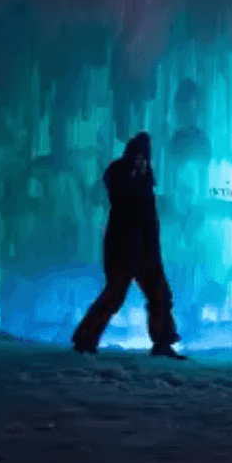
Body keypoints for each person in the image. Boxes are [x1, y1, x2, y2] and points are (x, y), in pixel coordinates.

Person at [72, 132, 183, 358]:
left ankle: (163, 342)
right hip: (123, 247)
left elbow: (148, 215)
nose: (143, 159)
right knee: (114, 294)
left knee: (159, 294)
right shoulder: (120, 172)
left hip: (145, 248)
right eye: (140, 154)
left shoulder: (144, 177)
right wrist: (134, 175)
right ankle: (85, 339)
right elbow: (116, 193)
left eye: (146, 156)